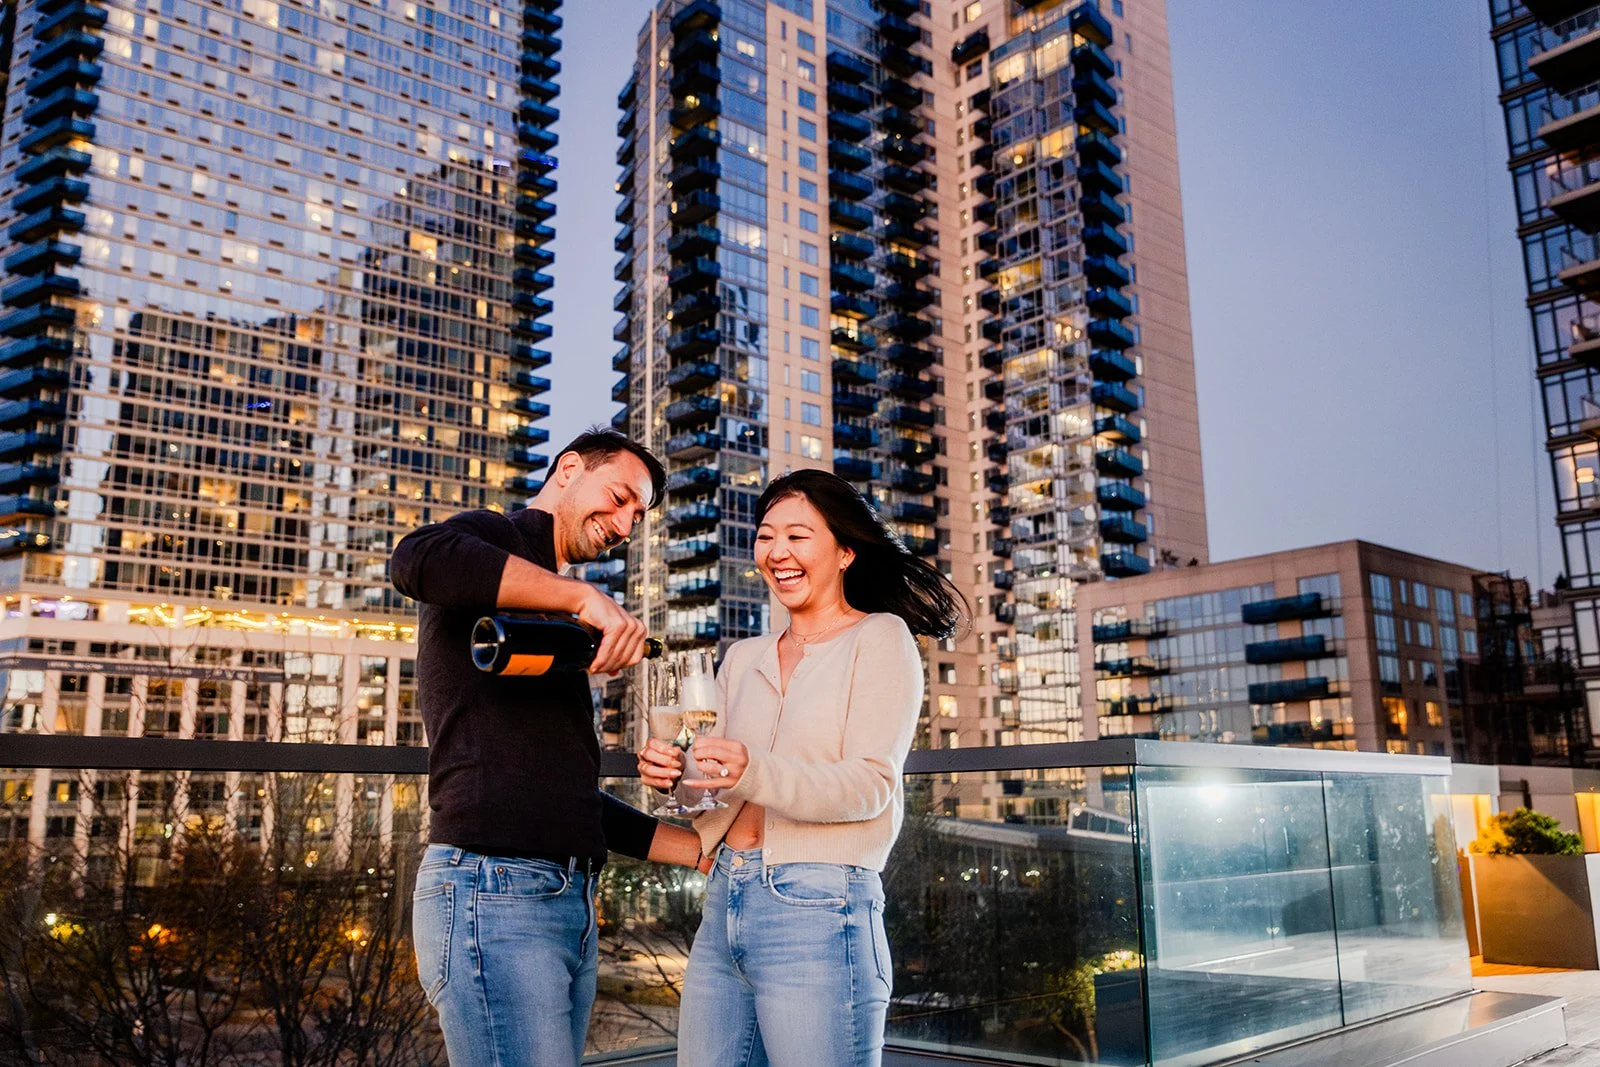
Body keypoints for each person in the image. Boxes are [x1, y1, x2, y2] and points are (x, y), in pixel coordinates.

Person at [392, 427, 706, 1067]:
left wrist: (701, 852)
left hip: (568, 898)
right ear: (568, 470)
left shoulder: (549, 611)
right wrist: (583, 597)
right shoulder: (496, 542)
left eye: (636, 516)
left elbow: (558, 793)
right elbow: (414, 558)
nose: (624, 524)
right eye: (618, 497)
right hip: (492, 891)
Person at [638, 469, 967, 1067]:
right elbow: (712, 792)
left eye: (797, 536)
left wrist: (749, 768)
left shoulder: (881, 637)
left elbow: (869, 786)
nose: (777, 553)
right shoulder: (742, 657)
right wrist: (675, 778)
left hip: (821, 906)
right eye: (766, 537)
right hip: (724, 901)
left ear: (844, 552)